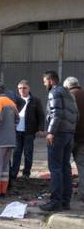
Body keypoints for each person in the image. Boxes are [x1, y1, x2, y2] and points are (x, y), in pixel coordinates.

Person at [40, 71, 78, 211]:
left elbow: (56, 113)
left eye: (44, 81)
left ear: (50, 81)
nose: (44, 84)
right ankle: (65, 202)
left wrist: (51, 132)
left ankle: (55, 202)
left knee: (55, 168)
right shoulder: (69, 94)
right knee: (65, 168)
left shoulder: (54, 92)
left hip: (58, 135)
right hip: (69, 134)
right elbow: (76, 115)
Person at [10, 80, 45, 180]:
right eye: (20, 88)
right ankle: (14, 173)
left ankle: (26, 173)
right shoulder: (15, 100)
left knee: (28, 153)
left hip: (29, 131)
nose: (22, 90)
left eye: (24, 88)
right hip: (17, 131)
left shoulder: (35, 100)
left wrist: (40, 128)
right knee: (16, 152)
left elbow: (41, 115)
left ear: (29, 88)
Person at [63, 77, 84, 203]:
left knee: (63, 165)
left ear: (67, 86)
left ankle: (65, 192)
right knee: (82, 166)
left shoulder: (68, 96)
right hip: (82, 139)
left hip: (70, 136)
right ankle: (82, 192)